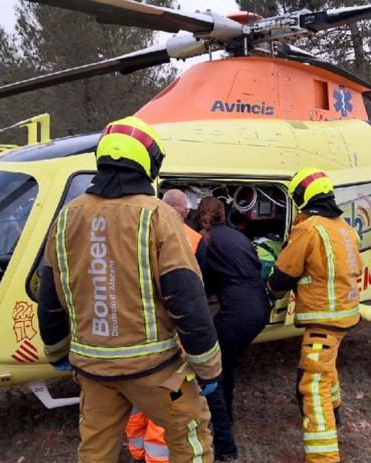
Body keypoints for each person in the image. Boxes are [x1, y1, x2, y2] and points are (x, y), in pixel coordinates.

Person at [36, 116, 222, 463]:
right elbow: (187, 299)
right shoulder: (158, 216)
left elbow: (50, 296)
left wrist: (57, 351)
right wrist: (208, 366)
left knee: (95, 451)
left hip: (92, 372)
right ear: (149, 164)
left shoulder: (67, 217)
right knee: (191, 440)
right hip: (155, 372)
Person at [267, 167, 362, 463]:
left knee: (312, 385)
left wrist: (270, 291)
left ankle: (323, 456)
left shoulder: (309, 230)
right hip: (345, 315)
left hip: (323, 318)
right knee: (327, 369)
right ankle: (335, 414)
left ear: (301, 197)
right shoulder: (344, 229)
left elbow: (285, 273)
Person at [123, 189, 204, 463]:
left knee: (137, 403)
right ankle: (156, 457)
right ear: (185, 212)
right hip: (173, 337)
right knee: (167, 402)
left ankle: (136, 452)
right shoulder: (193, 239)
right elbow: (197, 296)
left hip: (137, 333)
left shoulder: (136, 234)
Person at [197, 196, 272, 461]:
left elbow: (199, 280)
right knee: (225, 364)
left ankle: (225, 447)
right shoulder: (238, 236)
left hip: (238, 311)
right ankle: (227, 418)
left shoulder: (204, 240)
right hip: (261, 306)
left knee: (210, 370)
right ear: (224, 212)